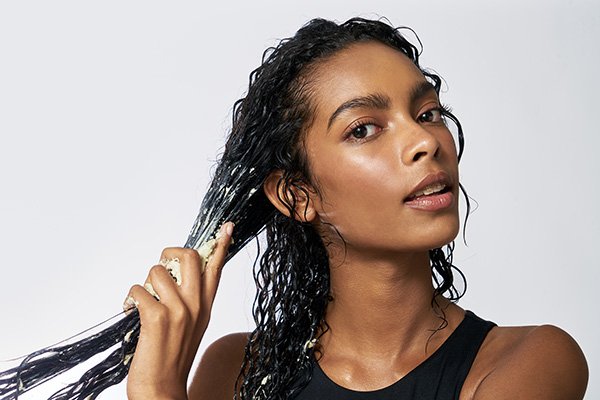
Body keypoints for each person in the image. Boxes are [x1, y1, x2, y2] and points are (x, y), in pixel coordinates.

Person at [124, 17, 588, 400]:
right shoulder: (235, 373)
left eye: (427, 113)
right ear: (296, 195)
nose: (426, 141)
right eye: (364, 129)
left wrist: (157, 392)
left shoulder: (530, 362)